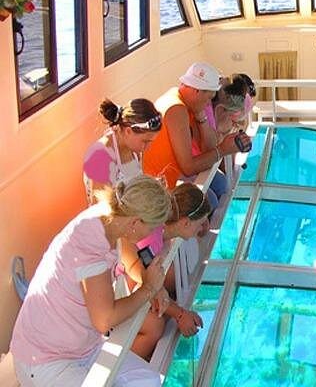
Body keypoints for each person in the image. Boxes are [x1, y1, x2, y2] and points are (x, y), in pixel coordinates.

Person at [10, 176, 173, 386]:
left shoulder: (113, 219)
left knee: (148, 381)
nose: (153, 233)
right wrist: (149, 288)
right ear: (134, 223)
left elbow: (129, 257)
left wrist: (151, 282)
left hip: (84, 346)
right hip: (45, 358)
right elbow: (105, 319)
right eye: (152, 228)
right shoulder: (88, 244)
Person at [118, 183, 211, 361]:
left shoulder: (161, 231)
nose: (201, 229)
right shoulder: (149, 237)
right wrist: (180, 314)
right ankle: (122, 366)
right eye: (200, 224)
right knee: (155, 326)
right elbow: (146, 283)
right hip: (123, 293)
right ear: (185, 223)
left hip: (136, 284)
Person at [143, 62, 250, 206]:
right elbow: (188, 168)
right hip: (163, 183)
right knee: (210, 201)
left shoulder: (187, 102)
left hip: (178, 172)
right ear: (197, 91)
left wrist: (201, 116)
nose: (208, 104)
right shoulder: (176, 110)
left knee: (220, 183)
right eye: (208, 98)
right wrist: (223, 149)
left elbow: (208, 147)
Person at [83, 98, 162, 202]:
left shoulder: (133, 147)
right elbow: (101, 208)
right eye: (145, 141)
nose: (148, 147)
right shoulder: (99, 157)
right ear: (128, 131)